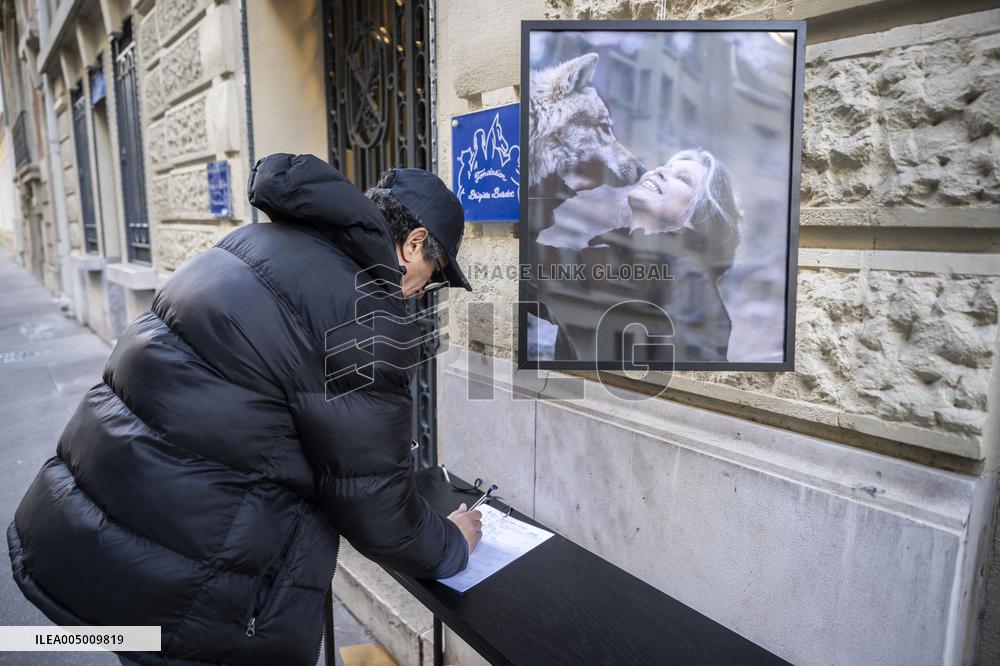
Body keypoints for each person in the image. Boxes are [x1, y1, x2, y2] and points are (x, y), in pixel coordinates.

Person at [7, 154, 483, 665]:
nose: (419, 294)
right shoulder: (361, 309)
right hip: (197, 584)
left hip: (113, 536)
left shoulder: (250, 243)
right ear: (413, 245)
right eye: (432, 277)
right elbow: (377, 510)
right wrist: (453, 541)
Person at [527, 147, 743, 364]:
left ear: (697, 220)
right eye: (665, 167)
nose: (658, 170)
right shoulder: (595, 265)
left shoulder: (689, 278)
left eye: (682, 178)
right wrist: (565, 183)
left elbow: (699, 378)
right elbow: (517, 266)